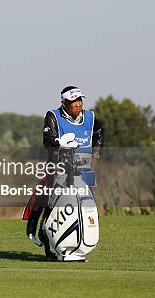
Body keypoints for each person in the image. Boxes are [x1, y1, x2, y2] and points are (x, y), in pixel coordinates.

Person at [23, 85, 103, 260]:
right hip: (59, 168)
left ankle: (80, 243)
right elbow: (48, 140)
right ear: (64, 102)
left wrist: (95, 155)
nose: (78, 104)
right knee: (53, 205)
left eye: (80, 100)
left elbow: (97, 134)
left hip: (84, 169)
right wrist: (59, 142)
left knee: (86, 207)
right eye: (73, 101)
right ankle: (50, 241)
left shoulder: (90, 117)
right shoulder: (53, 116)